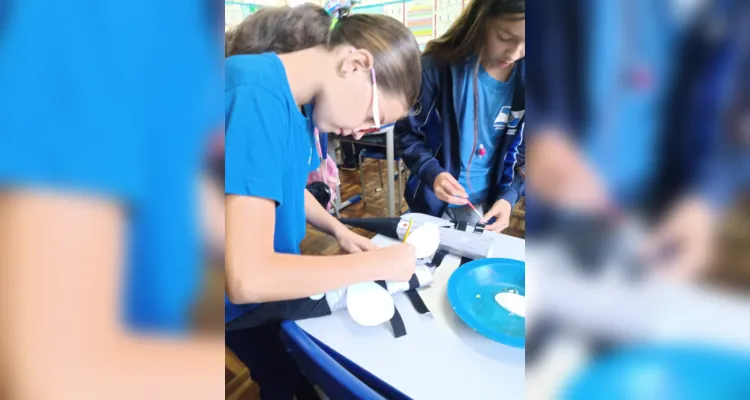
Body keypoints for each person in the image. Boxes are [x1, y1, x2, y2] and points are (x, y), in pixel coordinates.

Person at [0, 1, 224, 399]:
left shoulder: (182, 24)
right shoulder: (91, 16)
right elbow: (58, 374)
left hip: (151, 332)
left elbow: (172, 168)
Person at [224, 4, 422, 398]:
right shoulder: (255, 94)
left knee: (291, 370)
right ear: (355, 64)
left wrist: (338, 229)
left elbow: (283, 185)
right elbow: (247, 278)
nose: (361, 131)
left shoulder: (301, 106)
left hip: (268, 285)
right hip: (233, 298)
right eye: (371, 114)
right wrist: (375, 263)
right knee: (287, 376)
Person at [526, 0, 750, 279]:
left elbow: (739, 116)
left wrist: (706, 198)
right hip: (548, 222)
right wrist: (538, 131)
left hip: (650, 230)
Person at [395, 0, 526, 232]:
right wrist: (432, 172)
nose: (515, 53)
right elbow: (407, 134)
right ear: (481, 22)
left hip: (489, 202)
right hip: (431, 201)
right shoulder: (436, 68)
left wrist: (510, 195)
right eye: (505, 37)